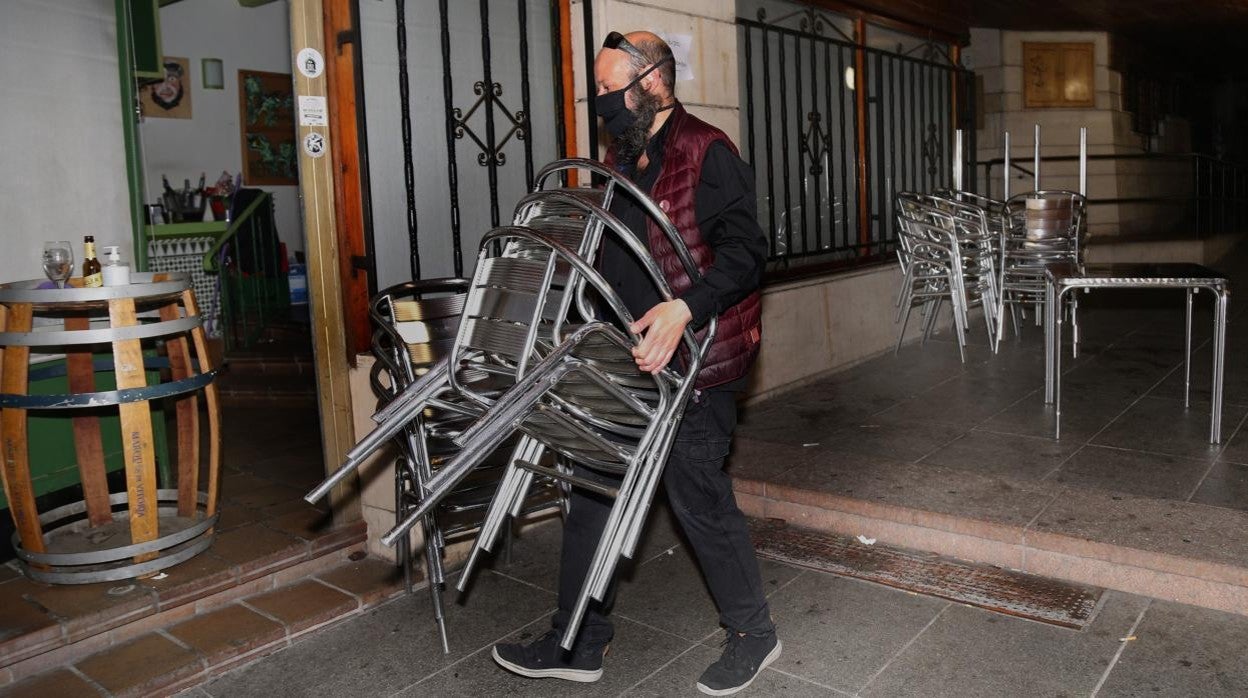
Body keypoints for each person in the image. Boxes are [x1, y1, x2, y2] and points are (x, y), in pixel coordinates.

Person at [492, 31, 779, 696]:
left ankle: (754, 634)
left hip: (693, 367)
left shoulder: (707, 151)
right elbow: (614, 257)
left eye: (607, 89)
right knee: (593, 487)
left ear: (650, 81)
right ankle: (578, 640)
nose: (601, 104)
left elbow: (745, 253)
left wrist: (686, 308)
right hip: (622, 361)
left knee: (697, 498)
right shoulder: (625, 161)